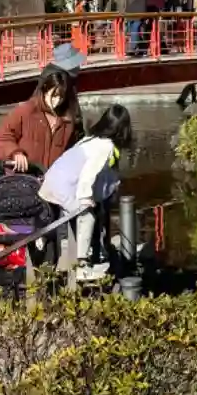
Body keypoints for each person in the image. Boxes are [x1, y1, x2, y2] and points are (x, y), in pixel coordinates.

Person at [38, 105, 134, 276]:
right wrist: (85, 198)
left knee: (71, 217)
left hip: (51, 182)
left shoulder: (91, 139)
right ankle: (82, 264)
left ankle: (49, 241)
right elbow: (88, 173)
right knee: (87, 216)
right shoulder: (106, 147)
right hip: (64, 187)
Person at [0, 62, 82, 174]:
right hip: (23, 177)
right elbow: (2, 138)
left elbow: (75, 149)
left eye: (61, 97)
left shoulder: (68, 120)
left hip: (53, 178)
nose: (57, 101)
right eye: (53, 96)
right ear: (44, 90)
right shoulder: (25, 111)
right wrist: (15, 152)